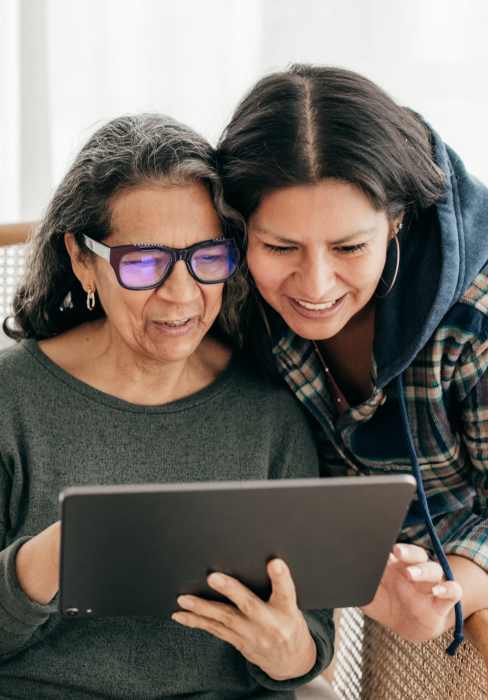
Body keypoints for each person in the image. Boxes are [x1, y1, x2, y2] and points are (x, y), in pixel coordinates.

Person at [0, 113, 336, 699]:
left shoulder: (270, 411)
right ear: (83, 260)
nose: (181, 294)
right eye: (144, 263)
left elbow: (310, 639)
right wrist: (48, 560)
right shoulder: (13, 399)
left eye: (207, 256)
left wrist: (288, 652)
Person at [217, 64, 488, 654]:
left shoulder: (482, 317)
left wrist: (451, 590)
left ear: (396, 221)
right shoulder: (224, 286)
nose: (315, 285)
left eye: (349, 247)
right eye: (279, 247)